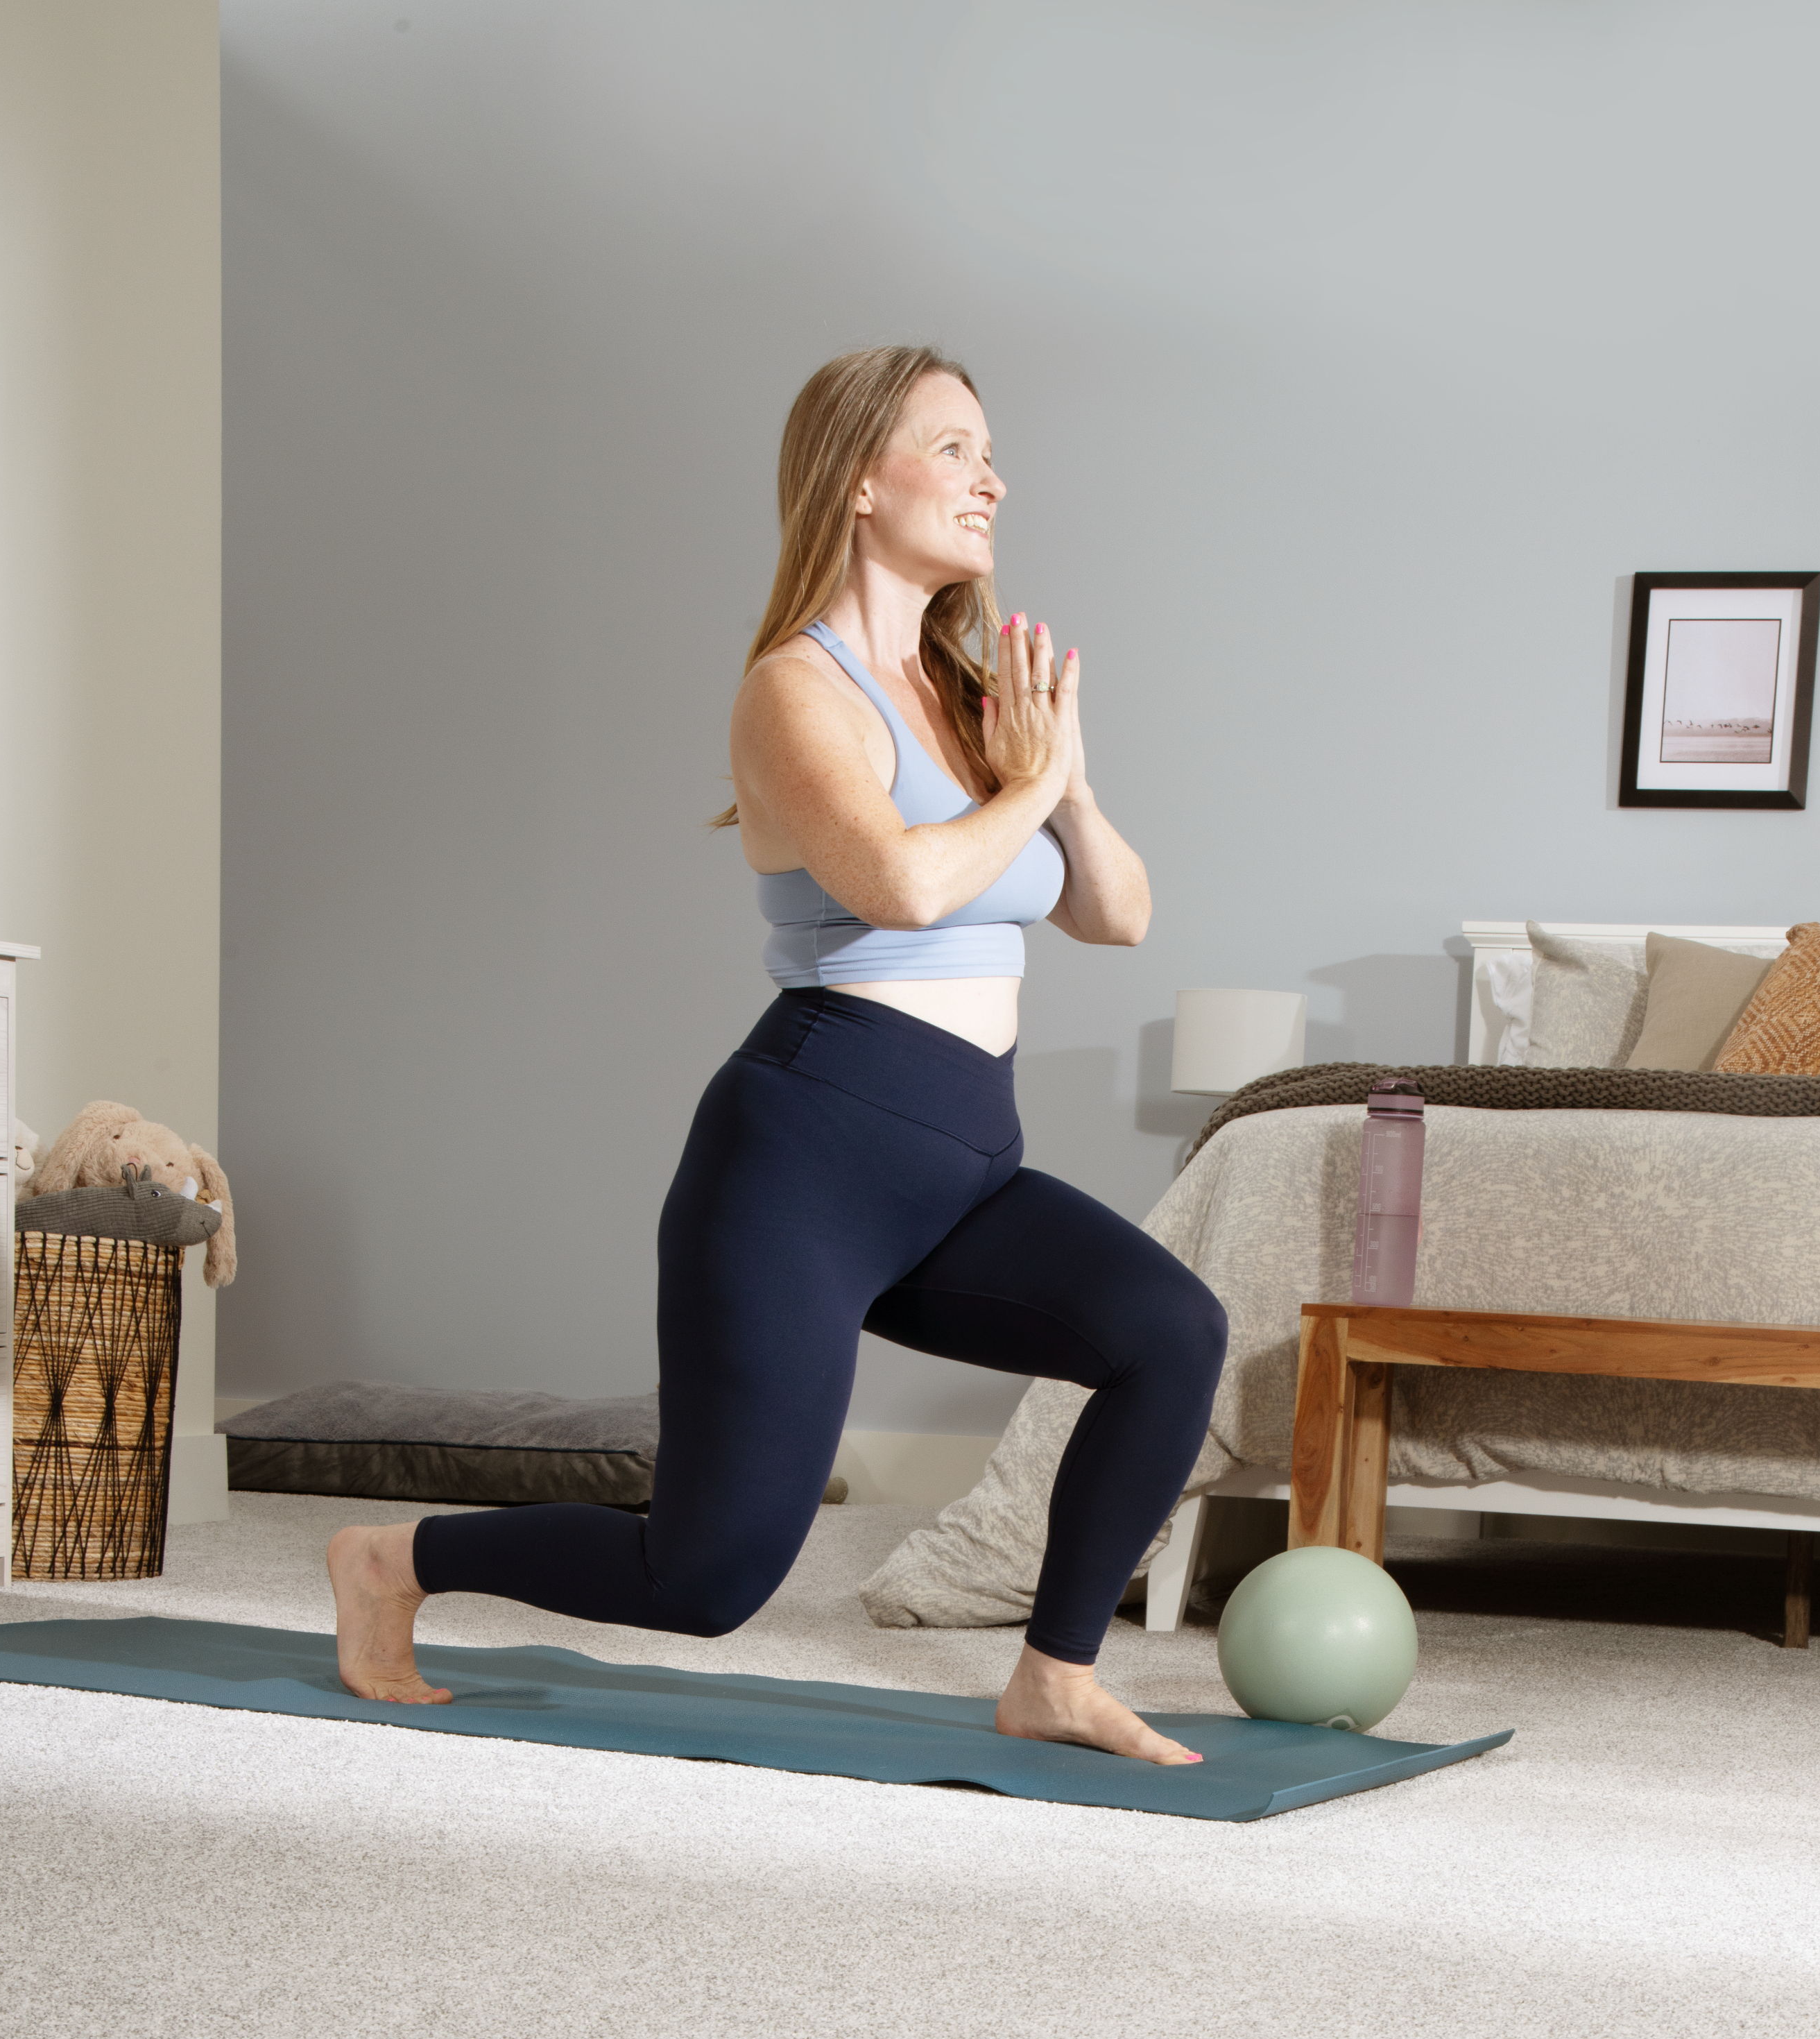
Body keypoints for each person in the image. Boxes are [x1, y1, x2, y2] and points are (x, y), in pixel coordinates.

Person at [327, 341, 1227, 1765]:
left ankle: (1052, 1674)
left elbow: (1114, 914)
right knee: (707, 1581)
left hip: (962, 1170)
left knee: (1169, 1331)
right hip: (802, 1160)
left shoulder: (970, 690)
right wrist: (1032, 785)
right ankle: (396, 1561)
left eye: (991, 454)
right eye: (951, 447)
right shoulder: (793, 692)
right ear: (859, 479)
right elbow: (903, 889)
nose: (988, 478)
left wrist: (1065, 776)